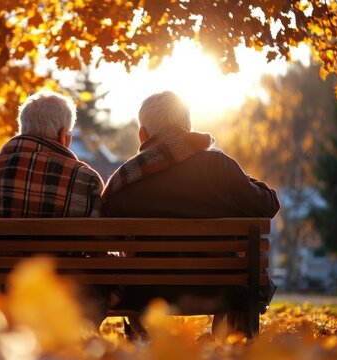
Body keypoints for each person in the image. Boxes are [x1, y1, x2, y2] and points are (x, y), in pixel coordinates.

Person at [101, 91, 280, 335]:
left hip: (143, 292)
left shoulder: (123, 182)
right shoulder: (218, 166)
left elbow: (107, 239)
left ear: (142, 135)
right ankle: (230, 342)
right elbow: (268, 205)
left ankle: (142, 342)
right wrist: (241, 177)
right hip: (221, 289)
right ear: (188, 128)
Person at [0, 90, 110, 323]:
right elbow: (98, 249)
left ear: (22, 130)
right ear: (63, 136)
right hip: (55, 299)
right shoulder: (84, 178)